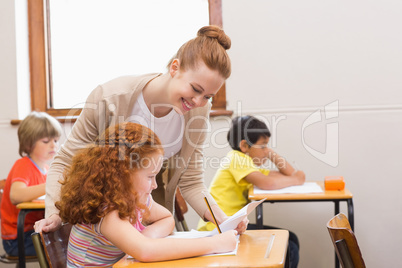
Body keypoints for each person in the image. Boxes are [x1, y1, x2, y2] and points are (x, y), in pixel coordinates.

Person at [35, 25, 247, 235]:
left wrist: (223, 219)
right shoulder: (109, 98)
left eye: (208, 96)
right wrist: (54, 214)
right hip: (102, 224)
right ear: (175, 68)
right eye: (195, 89)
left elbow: (191, 182)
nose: (198, 101)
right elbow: (64, 161)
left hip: (149, 224)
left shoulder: (199, 113)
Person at [56, 122, 237, 267]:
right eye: (150, 176)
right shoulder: (107, 211)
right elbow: (146, 252)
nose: (155, 185)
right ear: (123, 174)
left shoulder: (136, 198)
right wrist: (215, 244)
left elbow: (167, 218)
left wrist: (146, 236)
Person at [197, 115, 306, 268]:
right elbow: (268, 183)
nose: (266, 151)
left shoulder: (246, 162)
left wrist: (270, 153)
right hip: (218, 227)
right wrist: (296, 179)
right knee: (289, 247)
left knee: (291, 239)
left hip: (232, 225)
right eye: (263, 146)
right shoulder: (237, 159)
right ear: (244, 146)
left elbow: (284, 174)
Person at [0, 111, 61, 256]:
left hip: (33, 231)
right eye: (46, 141)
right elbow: (16, 195)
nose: (53, 145)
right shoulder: (23, 165)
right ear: (28, 145)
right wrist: (51, 185)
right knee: (65, 247)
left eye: (56, 140)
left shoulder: (46, 169)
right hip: (18, 239)